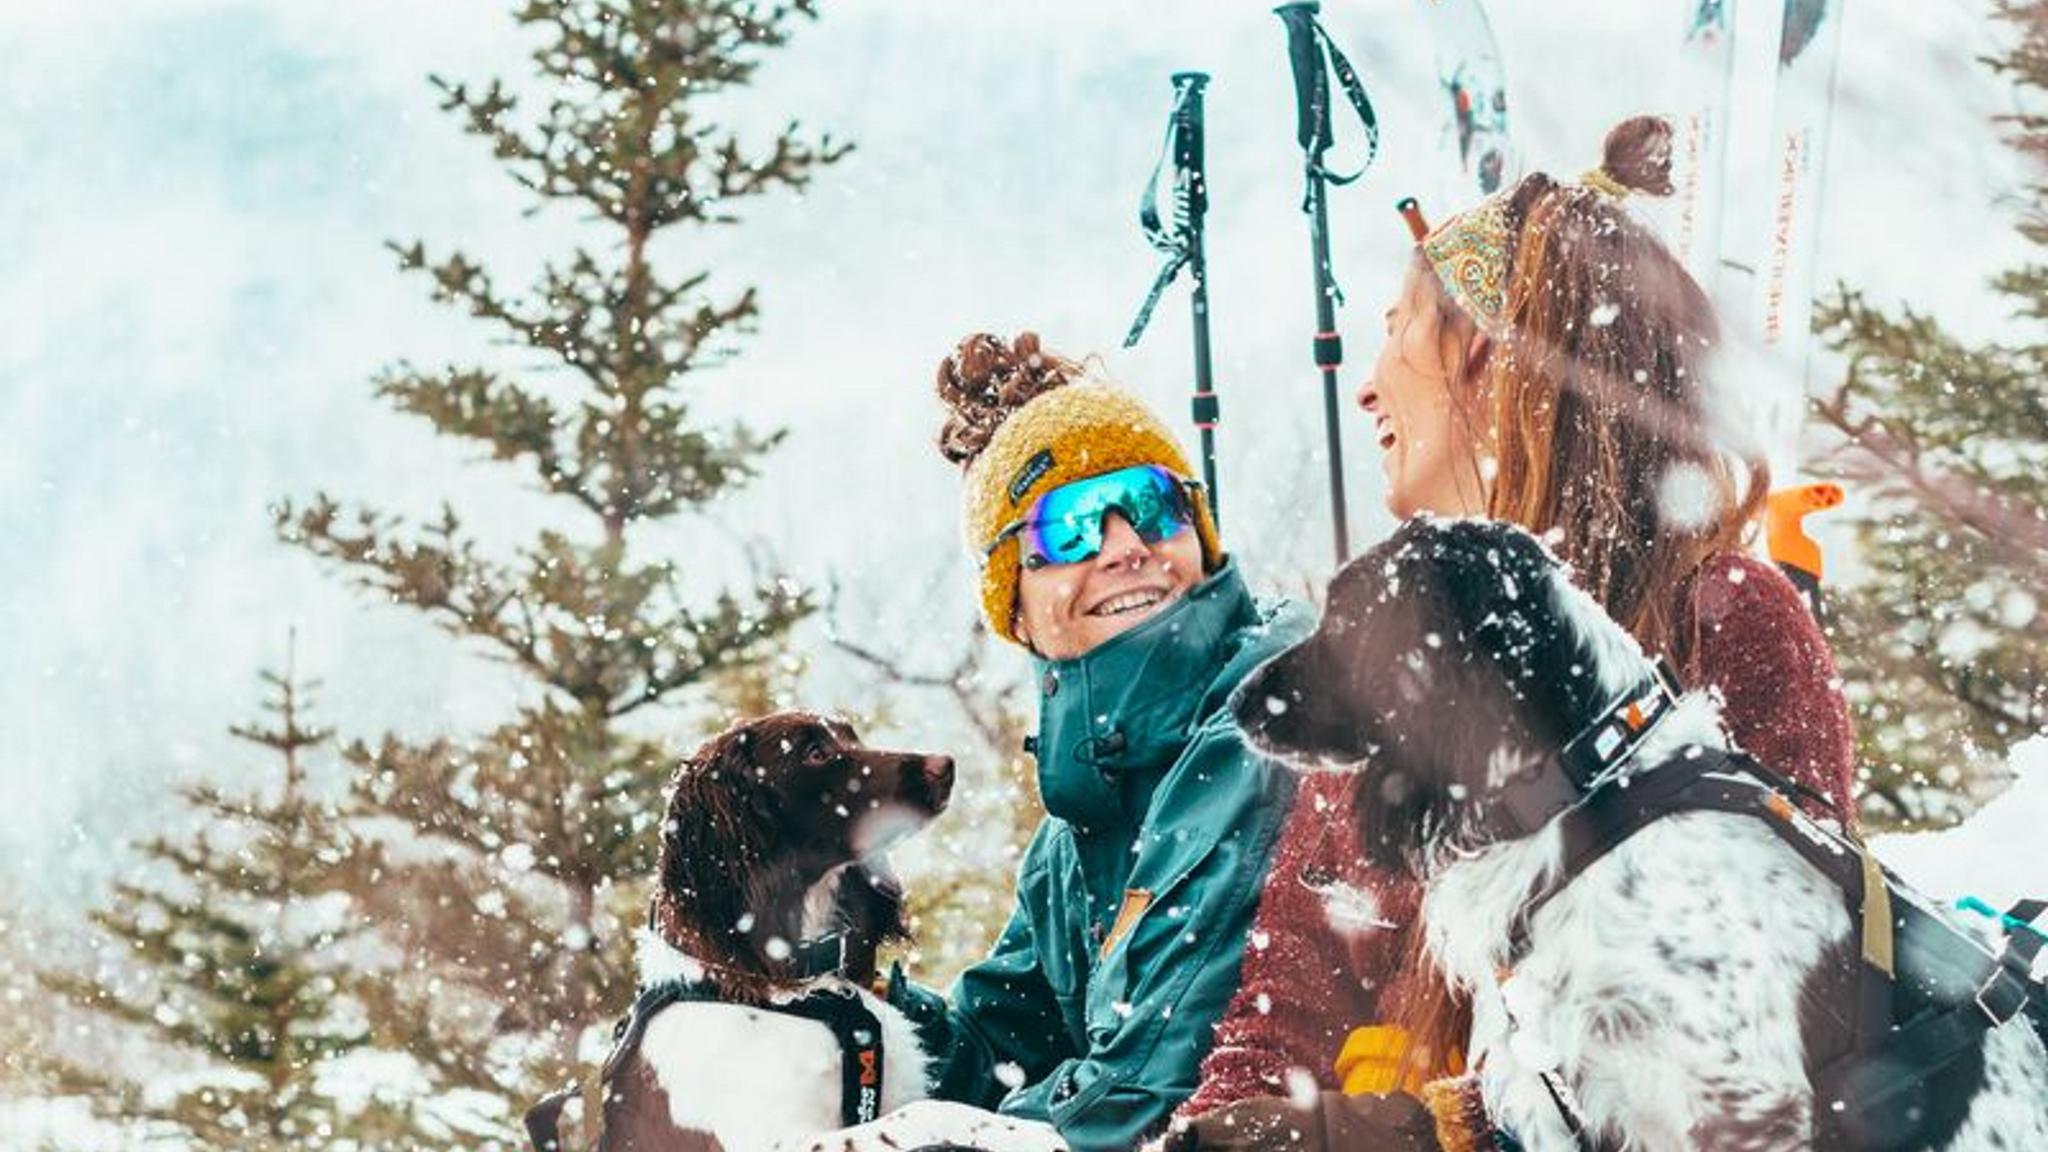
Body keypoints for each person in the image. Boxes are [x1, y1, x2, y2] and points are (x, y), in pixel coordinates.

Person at [1175, 116, 1859, 1150]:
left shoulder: (1725, 627)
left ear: (1494, 367)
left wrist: (1414, 1131)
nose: (1364, 384)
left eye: (1397, 330)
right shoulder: (1396, 667)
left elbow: (1769, 1062)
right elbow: (1282, 1013)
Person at [884, 332, 1314, 1152]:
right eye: (1070, 527)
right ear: (1014, 601)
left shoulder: (1266, 723)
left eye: (1153, 503)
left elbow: (1142, 1093)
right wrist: (846, 996)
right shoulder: (1080, 822)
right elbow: (994, 1059)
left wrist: (936, 1138)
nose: (1126, 546)